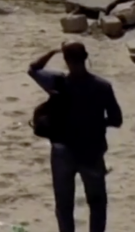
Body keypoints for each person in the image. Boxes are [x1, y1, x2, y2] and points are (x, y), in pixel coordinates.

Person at [29, 42, 123, 232]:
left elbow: (33, 69)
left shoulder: (58, 82)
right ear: (86, 57)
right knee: (97, 203)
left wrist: (52, 51)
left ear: (66, 60)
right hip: (92, 151)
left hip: (62, 150)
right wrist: (97, 123)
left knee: (64, 205)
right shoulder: (102, 86)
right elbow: (116, 120)